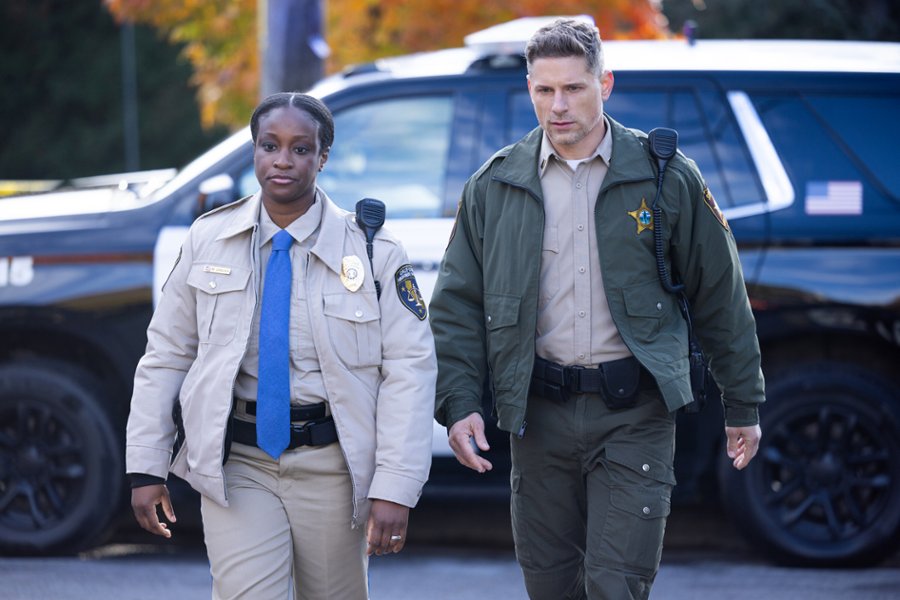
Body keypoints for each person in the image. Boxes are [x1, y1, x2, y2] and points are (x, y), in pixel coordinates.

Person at [429, 18, 765, 600]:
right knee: (551, 588)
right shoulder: (495, 184)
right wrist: (458, 404)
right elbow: (456, 306)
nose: (558, 105)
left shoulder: (664, 176)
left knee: (616, 586)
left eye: (573, 88)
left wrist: (743, 402)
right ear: (530, 89)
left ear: (604, 84)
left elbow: (720, 294)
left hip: (635, 414)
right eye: (544, 90)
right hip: (538, 417)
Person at [125, 92, 436, 599]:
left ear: (323, 157)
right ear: (254, 150)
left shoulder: (373, 250)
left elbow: (409, 369)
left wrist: (395, 487)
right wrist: (145, 465)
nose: (283, 160)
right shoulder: (208, 239)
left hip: (334, 467)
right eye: (269, 146)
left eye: (300, 148)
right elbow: (165, 354)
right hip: (239, 465)